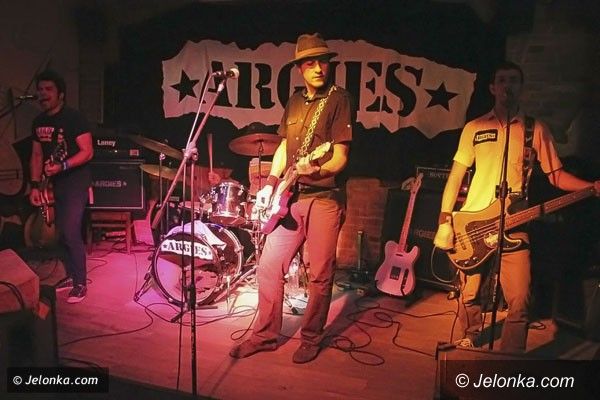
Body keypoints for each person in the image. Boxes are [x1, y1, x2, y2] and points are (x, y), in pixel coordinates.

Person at [433, 61, 600, 353]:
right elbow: (456, 175)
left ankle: (510, 360)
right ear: (492, 88)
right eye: (502, 80)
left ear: (521, 87)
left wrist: (590, 187)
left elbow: (556, 175)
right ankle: (470, 335)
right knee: (468, 294)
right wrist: (445, 220)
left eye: (513, 80)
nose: (507, 85)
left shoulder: (535, 129)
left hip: (515, 222)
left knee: (520, 299)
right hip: (472, 224)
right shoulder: (475, 127)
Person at [229, 33, 354, 363]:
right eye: (310, 63)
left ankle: (311, 337)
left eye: (323, 62)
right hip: (291, 198)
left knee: (320, 273)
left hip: (325, 198)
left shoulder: (340, 99)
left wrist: (314, 169)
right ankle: (266, 335)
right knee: (269, 266)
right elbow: (284, 147)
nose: (318, 68)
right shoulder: (296, 101)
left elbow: (340, 157)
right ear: (300, 68)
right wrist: (271, 183)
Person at [29, 69, 94, 303]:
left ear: (61, 94)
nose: (43, 94)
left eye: (48, 89)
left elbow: (87, 152)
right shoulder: (38, 122)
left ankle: (80, 283)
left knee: (70, 230)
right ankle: (71, 274)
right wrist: (34, 185)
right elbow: (37, 155)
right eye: (40, 90)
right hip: (52, 183)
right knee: (59, 232)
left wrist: (63, 166)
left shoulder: (74, 118)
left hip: (75, 181)